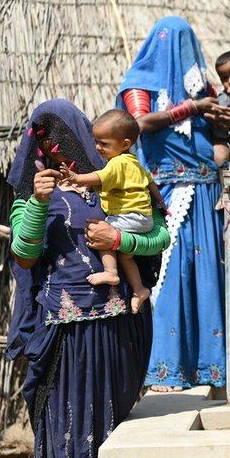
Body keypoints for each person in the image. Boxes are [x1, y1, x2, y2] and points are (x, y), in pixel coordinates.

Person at [6, 99, 169, 458]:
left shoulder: (118, 174)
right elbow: (24, 256)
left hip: (120, 321)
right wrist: (40, 204)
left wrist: (119, 238)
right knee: (70, 424)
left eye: (61, 136)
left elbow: (159, 235)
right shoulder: (30, 193)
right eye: (44, 139)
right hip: (65, 331)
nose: (56, 149)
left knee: (113, 420)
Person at [118, 15, 230, 391]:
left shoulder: (202, 86)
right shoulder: (141, 83)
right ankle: (165, 368)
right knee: (170, 273)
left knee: (208, 276)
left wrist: (223, 142)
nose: (183, 51)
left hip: (206, 192)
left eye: (189, 42)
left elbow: (220, 136)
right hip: (167, 190)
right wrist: (194, 108)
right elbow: (139, 124)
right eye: (175, 42)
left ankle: (210, 367)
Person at [59, 109, 165, 314]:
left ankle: (110, 271)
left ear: (125, 144)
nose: (98, 148)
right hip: (144, 217)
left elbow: (100, 178)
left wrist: (76, 178)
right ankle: (140, 290)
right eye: (96, 142)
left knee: (104, 232)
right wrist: (160, 203)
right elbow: (151, 183)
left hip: (129, 216)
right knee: (126, 256)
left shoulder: (117, 163)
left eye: (104, 144)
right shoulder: (135, 163)